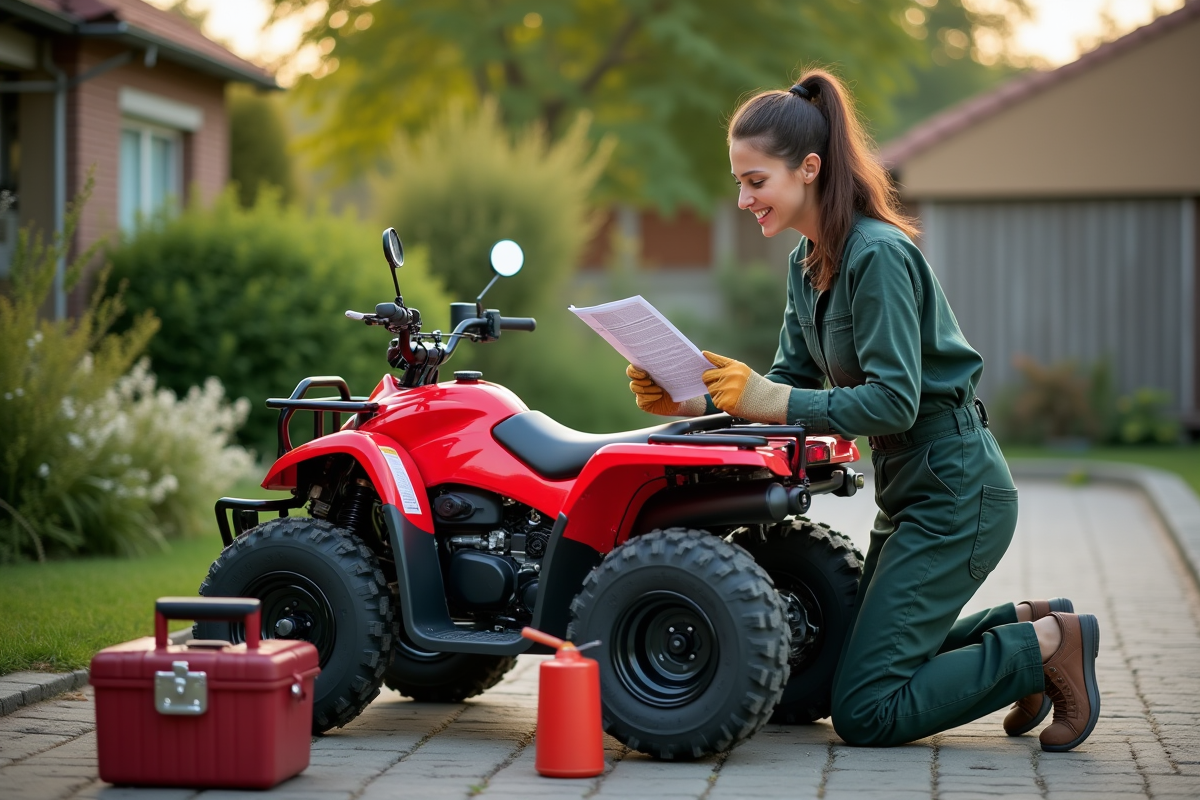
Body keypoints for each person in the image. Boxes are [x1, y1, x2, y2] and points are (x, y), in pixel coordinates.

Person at [624, 69, 1101, 751]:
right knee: (856, 665)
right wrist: (696, 397)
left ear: (809, 169)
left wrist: (770, 397)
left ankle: (1050, 647)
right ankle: (1027, 628)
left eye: (755, 181)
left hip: (957, 490)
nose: (741, 198)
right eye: (739, 182)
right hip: (911, 487)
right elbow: (788, 379)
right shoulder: (808, 261)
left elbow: (894, 400)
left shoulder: (877, 255)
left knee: (866, 710)